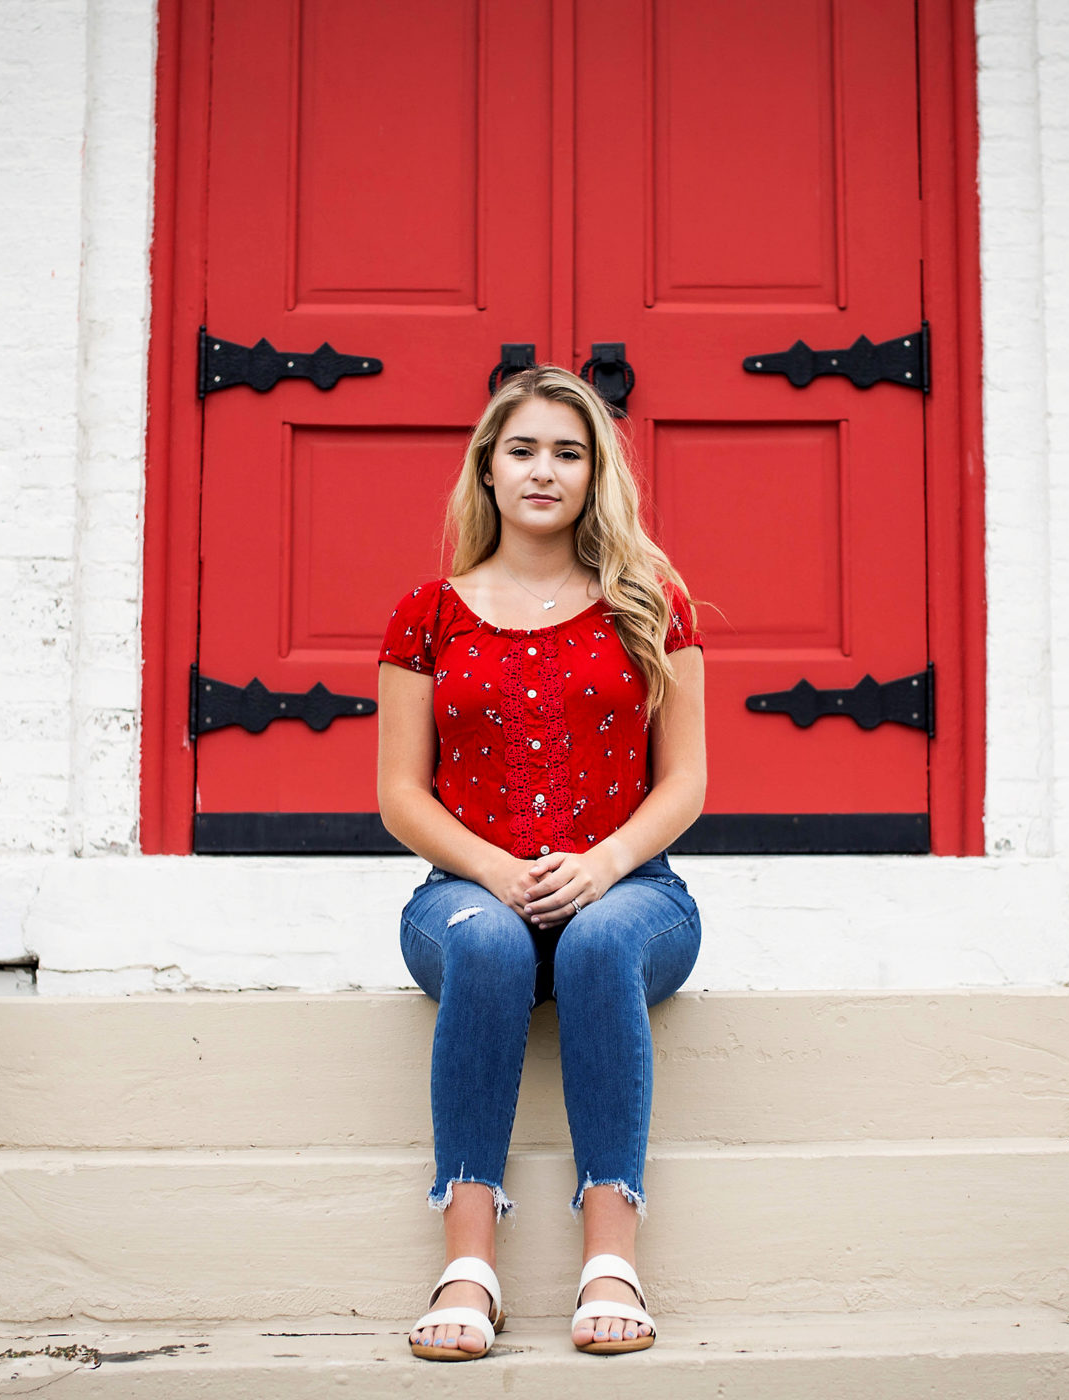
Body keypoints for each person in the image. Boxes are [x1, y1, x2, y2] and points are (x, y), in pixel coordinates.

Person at [377, 366, 708, 1361]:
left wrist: (605, 864)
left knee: (599, 942)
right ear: (486, 467)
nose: (544, 469)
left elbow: (686, 780)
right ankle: (467, 1259)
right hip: (464, 894)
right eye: (522, 448)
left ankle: (611, 1254)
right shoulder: (426, 614)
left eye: (569, 451)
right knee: (489, 943)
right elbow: (400, 792)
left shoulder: (652, 601)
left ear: (595, 472)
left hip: (636, 890)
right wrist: (492, 869)